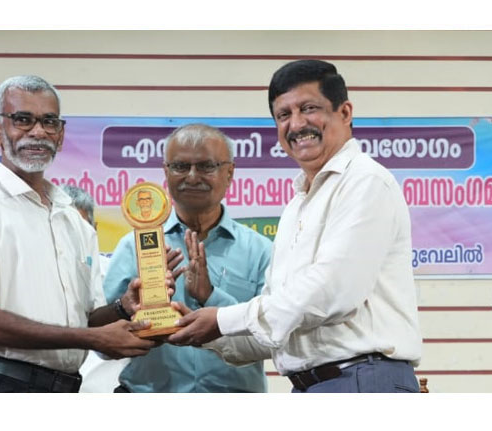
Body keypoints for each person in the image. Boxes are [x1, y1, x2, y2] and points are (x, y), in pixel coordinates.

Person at [168, 60, 423, 393]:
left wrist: (220, 319)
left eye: (309, 108)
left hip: (362, 380)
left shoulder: (366, 182)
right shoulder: (297, 203)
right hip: (313, 385)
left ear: (345, 113)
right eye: (283, 115)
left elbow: (332, 291)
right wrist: (197, 332)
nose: (297, 124)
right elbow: (278, 330)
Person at [0, 75, 158, 393]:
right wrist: (91, 338)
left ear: (61, 135)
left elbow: (87, 319)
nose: (38, 132)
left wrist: (123, 306)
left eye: (49, 121)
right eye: (23, 119)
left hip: (65, 388)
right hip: (0, 387)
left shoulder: (74, 221)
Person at [104, 123, 272, 392]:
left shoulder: (262, 250)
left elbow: (271, 337)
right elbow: (104, 347)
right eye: (181, 166)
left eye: (206, 166)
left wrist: (211, 297)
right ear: (165, 172)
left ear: (230, 172)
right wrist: (134, 310)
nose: (192, 177)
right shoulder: (135, 247)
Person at [59, 183, 130, 393]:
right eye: (64, 230)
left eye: (80, 229)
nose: (72, 240)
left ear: (95, 229)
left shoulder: (118, 275)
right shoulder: (35, 275)